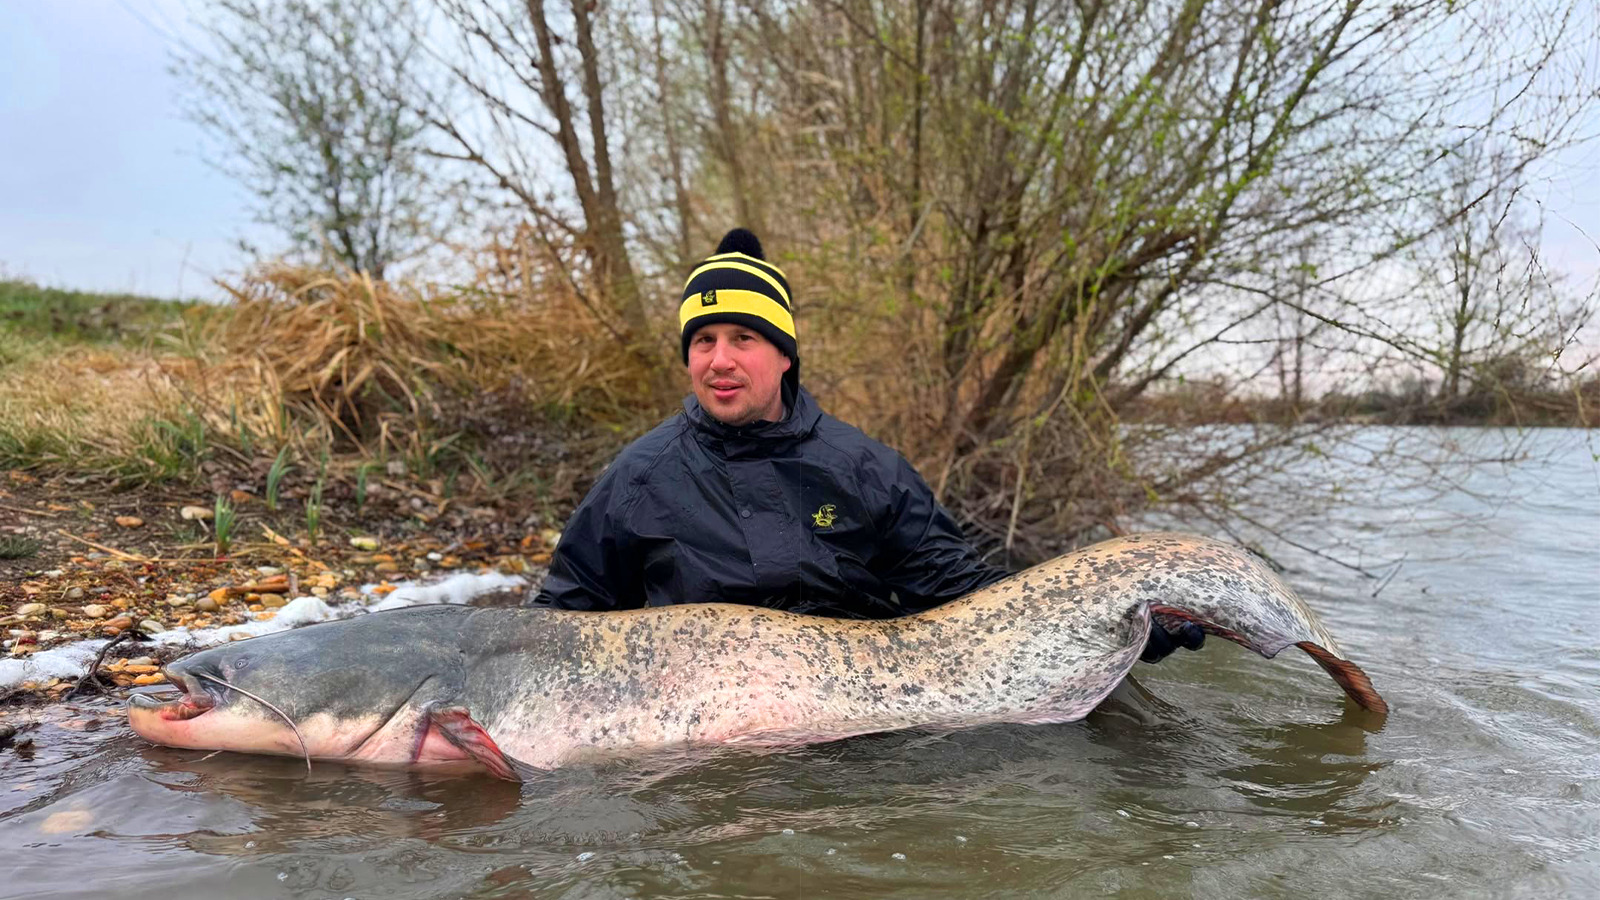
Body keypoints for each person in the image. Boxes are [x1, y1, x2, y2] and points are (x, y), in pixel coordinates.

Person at [531, 228, 1203, 660]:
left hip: (851, 744)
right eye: (702, 342)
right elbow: (559, 619)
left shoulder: (865, 470)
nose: (719, 360)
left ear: (784, 354)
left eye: (744, 339)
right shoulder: (640, 477)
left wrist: (1121, 623)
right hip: (702, 745)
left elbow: (970, 601)